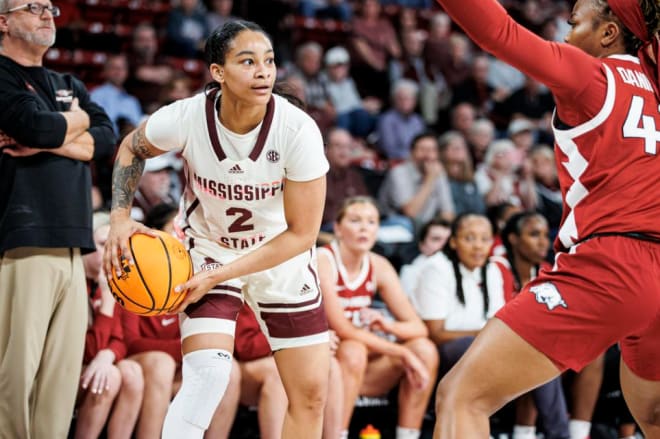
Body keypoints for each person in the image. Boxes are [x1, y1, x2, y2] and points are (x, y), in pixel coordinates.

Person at [430, 0, 660, 437]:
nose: (566, 35)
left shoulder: (590, 75)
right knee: (653, 418)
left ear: (609, 34)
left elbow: (498, 32)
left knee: (462, 395)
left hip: (611, 266)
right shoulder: (654, 80)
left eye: (574, 24)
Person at [103, 20, 331, 439]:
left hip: (280, 256)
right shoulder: (188, 116)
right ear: (218, 72)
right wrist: (120, 217)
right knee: (208, 378)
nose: (263, 71)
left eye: (269, 61)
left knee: (312, 394)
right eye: (248, 61)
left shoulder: (298, 131)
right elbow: (132, 147)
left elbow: (302, 234)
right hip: (209, 246)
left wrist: (223, 275)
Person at [0, 1, 116, 437]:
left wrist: (60, 134)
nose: (48, 14)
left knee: (61, 379)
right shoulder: (3, 75)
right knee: (15, 373)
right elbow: (35, 128)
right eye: (33, 7)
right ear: (4, 22)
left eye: (50, 7)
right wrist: (74, 126)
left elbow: (106, 137)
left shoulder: (68, 82)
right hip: (23, 239)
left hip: (75, 243)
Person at [318, 196, 439, 439]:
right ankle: (337, 434)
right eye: (355, 221)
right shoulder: (324, 259)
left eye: (372, 222)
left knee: (424, 350)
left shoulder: (380, 265)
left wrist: (387, 325)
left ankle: (408, 435)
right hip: (328, 366)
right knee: (354, 350)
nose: (364, 227)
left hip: (365, 367)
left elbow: (418, 328)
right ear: (339, 229)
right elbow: (343, 329)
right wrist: (402, 352)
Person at [492, 212, 570, 439]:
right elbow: (501, 318)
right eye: (534, 234)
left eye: (546, 235)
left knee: (593, 354)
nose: (543, 241)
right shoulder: (498, 267)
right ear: (514, 239)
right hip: (503, 343)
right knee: (538, 353)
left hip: (539, 342)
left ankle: (580, 430)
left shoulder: (549, 269)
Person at [76, 211, 144, 439]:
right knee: (111, 377)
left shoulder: (109, 281)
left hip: (90, 366)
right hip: (64, 372)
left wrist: (107, 355)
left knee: (132, 372)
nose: (110, 254)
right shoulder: (74, 284)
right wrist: (107, 300)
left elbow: (121, 339)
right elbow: (86, 351)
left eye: (114, 247)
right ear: (85, 245)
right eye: (103, 244)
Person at [233, 304, 344, 439]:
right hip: (243, 365)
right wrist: (303, 341)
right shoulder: (249, 286)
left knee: (330, 365)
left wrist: (316, 341)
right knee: (279, 372)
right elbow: (246, 347)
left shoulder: (299, 288)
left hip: (281, 354)